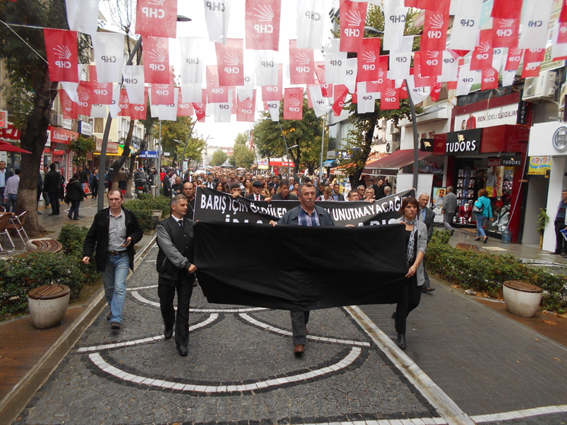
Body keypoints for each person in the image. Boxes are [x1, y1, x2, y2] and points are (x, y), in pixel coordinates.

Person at [270, 183, 335, 356]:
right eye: (306, 194)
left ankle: (302, 324)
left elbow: (334, 237)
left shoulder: (324, 215)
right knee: (297, 300)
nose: (310, 196)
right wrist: (274, 226)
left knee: (308, 300)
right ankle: (299, 341)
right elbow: (280, 234)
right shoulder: (291, 216)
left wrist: (348, 232)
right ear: (299, 197)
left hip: (316, 266)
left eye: (312, 193)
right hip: (296, 265)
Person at [82, 189, 144, 330]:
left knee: (119, 287)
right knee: (109, 288)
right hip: (106, 257)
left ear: (122, 200)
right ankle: (113, 307)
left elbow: (138, 232)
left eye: (117, 199)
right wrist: (87, 254)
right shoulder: (101, 216)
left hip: (122, 256)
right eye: (111, 199)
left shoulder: (129, 216)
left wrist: (131, 238)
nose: (114, 202)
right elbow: (91, 237)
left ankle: (116, 318)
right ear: (108, 200)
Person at [156, 195, 197, 357]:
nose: (186, 207)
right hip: (168, 273)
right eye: (182, 205)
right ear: (174, 207)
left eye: (187, 205)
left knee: (184, 309)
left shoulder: (192, 225)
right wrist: (186, 263)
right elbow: (169, 249)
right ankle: (168, 325)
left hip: (186, 276)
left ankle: (182, 342)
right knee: (166, 304)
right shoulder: (163, 226)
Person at [392, 196, 428, 350]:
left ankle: (398, 318)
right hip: (401, 271)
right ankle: (401, 333)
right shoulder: (396, 224)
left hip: (415, 270)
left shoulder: (421, 226)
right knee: (404, 301)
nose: (412, 209)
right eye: (408, 207)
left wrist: (414, 266)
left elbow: (422, 248)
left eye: (414, 207)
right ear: (403, 209)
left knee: (414, 301)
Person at [418, 193, 436, 293]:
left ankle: (426, 285)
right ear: (419, 199)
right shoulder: (413, 209)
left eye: (427, 200)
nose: (425, 202)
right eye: (423, 199)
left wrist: (426, 240)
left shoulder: (431, 213)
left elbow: (430, 228)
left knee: (422, 261)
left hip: (423, 240)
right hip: (412, 237)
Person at [551, 190, 567, 256]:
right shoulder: (561, 203)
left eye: (565, 194)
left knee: (565, 237)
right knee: (558, 236)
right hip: (558, 221)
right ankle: (558, 250)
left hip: (565, 222)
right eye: (562, 194)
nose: (563, 195)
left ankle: (565, 251)